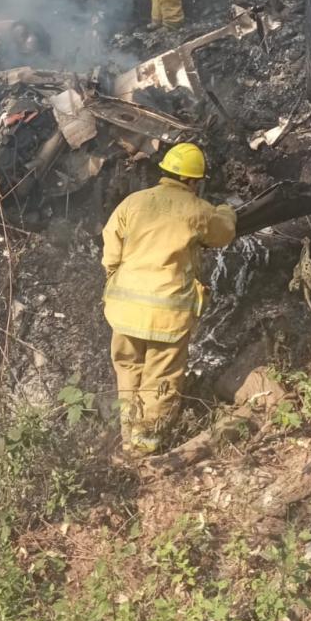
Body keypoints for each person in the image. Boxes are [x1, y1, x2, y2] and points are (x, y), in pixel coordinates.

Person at [101, 142, 236, 456]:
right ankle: (145, 452)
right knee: (160, 383)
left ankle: (127, 441)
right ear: (193, 181)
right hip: (167, 315)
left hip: (123, 311)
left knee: (128, 372)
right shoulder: (197, 210)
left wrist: (114, 281)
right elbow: (224, 232)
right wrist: (226, 210)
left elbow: (110, 252)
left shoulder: (132, 203)